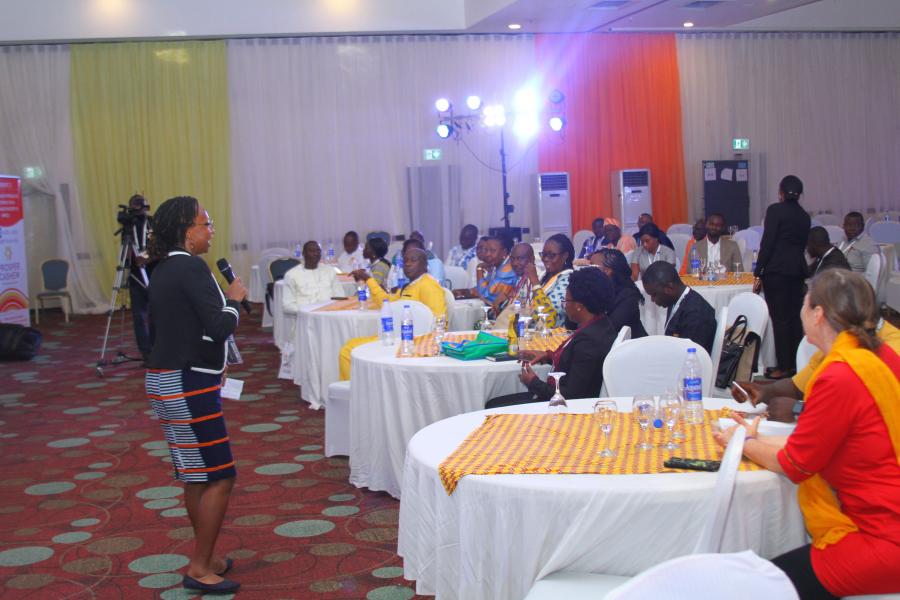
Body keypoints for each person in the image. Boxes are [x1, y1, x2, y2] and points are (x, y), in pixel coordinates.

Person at [714, 270, 900, 599]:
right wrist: (755, 438)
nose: (800, 310)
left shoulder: (840, 374)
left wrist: (743, 442)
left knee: (759, 586)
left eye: (804, 303)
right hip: (884, 521)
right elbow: (821, 443)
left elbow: (797, 463)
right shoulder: (880, 356)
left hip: (880, 536)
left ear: (818, 314)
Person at [145, 196, 246, 594]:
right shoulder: (191, 267)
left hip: (167, 379)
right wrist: (234, 299)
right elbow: (219, 327)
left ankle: (209, 556)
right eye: (207, 223)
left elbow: (182, 330)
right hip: (188, 385)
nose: (211, 230)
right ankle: (201, 566)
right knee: (220, 475)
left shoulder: (163, 269)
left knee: (196, 475)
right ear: (188, 232)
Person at [485, 268, 618, 408]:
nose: (565, 307)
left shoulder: (588, 341)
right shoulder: (601, 325)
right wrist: (548, 356)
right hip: (568, 400)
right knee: (494, 403)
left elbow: (572, 395)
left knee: (493, 406)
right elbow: (576, 362)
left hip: (566, 409)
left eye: (566, 302)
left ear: (579, 306)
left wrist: (533, 382)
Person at [731, 316, 900, 423]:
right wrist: (764, 391)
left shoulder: (892, 352)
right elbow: (798, 387)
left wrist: (800, 410)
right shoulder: (843, 338)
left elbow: (862, 417)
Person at [340, 246, 446, 379]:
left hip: (410, 344)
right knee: (350, 346)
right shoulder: (409, 285)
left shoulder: (429, 285)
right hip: (395, 338)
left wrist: (425, 349)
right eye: (405, 260)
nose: (408, 264)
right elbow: (386, 303)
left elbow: (440, 321)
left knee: (348, 351)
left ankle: (352, 390)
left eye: (413, 260)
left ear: (425, 265)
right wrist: (368, 279)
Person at [754, 175, 812, 379]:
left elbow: (768, 243)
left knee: (780, 320)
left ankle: (783, 366)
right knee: (794, 318)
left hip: (776, 271)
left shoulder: (775, 210)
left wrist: (758, 271)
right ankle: (796, 364)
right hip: (797, 271)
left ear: (780, 193)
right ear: (800, 194)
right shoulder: (804, 216)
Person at [642, 261, 716, 354]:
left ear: (670, 288)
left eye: (654, 295)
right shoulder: (675, 301)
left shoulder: (695, 314)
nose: (652, 300)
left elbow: (689, 355)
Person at [492, 243, 557, 330]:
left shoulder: (538, 278)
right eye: (512, 259)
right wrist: (505, 302)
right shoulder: (521, 277)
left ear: (532, 259)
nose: (515, 263)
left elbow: (536, 310)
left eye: (520, 259)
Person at [590, 248, 647, 338]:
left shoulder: (628, 296)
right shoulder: (596, 291)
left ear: (607, 271)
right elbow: (572, 324)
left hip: (632, 345)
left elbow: (609, 330)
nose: (586, 269)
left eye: (592, 266)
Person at [125, 193, 154, 361]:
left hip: (154, 275)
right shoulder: (128, 226)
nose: (141, 209)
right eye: (137, 205)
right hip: (136, 277)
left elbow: (160, 247)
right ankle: (146, 352)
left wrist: (146, 256)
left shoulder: (152, 223)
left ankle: (160, 347)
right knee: (139, 316)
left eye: (143, 205)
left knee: (157, 314)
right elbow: (126, 250)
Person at [282, 241, 344, 314]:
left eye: (318, 251)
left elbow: (340, 297)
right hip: (305, 317)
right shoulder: (292, 275)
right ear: (304, 253)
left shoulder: (330, 271)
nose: (316, 254)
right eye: (312, 251)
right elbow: (288, 306)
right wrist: (309, 311)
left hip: (330, 315)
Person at [453, 236, 516, 307]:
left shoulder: (508, 269)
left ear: (504, 252)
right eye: (486, 250)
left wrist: (479, 268)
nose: (487, 254)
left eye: (492, 250)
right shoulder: (495, 265)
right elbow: (485, 286)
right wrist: (466, 292)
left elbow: (485, 295)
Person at [538, 233, 576, 326]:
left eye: (551, 255)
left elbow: (550, 312)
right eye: (543, 254)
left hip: (555, 331)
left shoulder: (569, 279)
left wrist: (535, 283)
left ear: (565, 256)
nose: (545, 259)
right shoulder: (544, 276)